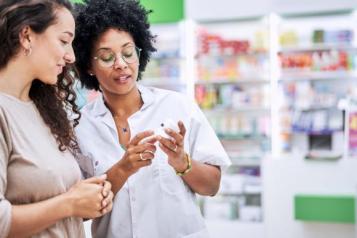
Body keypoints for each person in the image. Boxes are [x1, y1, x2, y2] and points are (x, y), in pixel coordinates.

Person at [73, 0, 231, 237]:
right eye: (107, 57)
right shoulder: (80, 126)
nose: (121, 65)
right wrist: (122, 169)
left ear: (140, 53)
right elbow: (82, 212)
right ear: (88, 66)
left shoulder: (178, 106)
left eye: (128, 53)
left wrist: (182, 162)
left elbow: (212, 186)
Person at [0, 0, 114, 237]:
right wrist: (69, 203)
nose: (71, 56)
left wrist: (87, 199)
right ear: (27, 36)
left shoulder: (43, 109)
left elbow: (54, 197)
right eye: (63, 41)